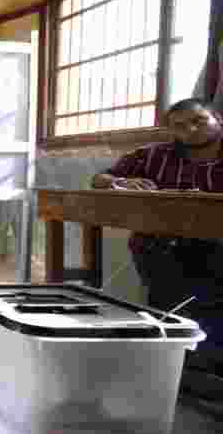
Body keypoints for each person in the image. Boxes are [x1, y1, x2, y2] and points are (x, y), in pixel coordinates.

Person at [90, 97, 223, 380]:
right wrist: (119, 181)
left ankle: (207, 373)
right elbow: (99, 179)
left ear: (217, 120)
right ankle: (176, 373)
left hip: (218, 247)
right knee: (172, 306)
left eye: (198, 121)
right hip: (161, 246)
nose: (190, 129)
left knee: (213, 306)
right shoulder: (152, 156)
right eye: (179, 126)